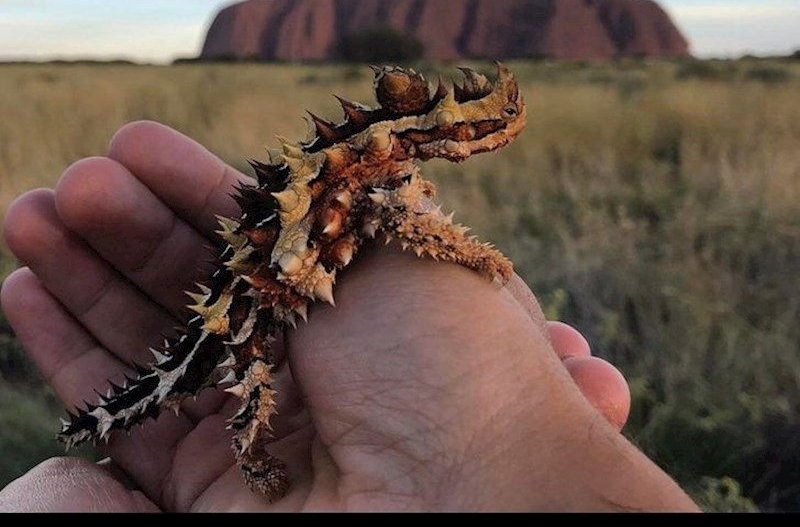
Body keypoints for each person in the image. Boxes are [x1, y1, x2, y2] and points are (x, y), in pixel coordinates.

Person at [0, 121, 698, 512]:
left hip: (264, 280)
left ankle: (107, 424)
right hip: (244, 305)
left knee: (237, 373)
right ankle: (183, 440)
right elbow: (406, 224)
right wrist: (463, 251)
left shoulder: (371, 170)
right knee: (245, 380)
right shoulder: (370, 177)